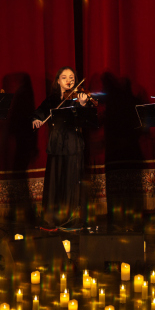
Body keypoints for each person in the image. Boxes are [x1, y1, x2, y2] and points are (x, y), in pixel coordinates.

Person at [33, 67, 98, 227]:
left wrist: (83, 105)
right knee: (55, 181)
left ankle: (72, 219)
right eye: (64, 77)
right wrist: (36, 118)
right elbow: (40, 112)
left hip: (73, 143)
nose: (69, 80)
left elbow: (92, 120)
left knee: (72, 182)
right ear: (58, 81)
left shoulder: (80, 98)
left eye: (71, 77)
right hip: (56, 144)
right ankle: (52, 218)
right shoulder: (52, 99)